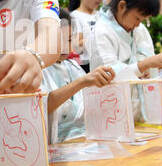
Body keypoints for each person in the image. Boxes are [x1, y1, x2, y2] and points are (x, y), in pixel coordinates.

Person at [89, 0, 162, 121]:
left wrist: (154, 65)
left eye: (142, 20)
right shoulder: (101, 31)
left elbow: (148, 62)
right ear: (122, 6)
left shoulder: (140, 29)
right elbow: (107, 74)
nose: (138, 24)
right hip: (111, 114)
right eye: (137, 18)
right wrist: (146, 64)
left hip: (140, 112)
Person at [41, 9, 115, 144]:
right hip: (53, 145)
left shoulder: (73, 67)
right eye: (58, 40)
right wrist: (83, 82)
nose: (65, 47)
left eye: (69, 40)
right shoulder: (37, 70)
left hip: (82, 140)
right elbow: (42, 106)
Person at [68, 0, 106, 73]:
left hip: (104, 63)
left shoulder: (101, 15)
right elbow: (76, 46)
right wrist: (98, 36)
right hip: (85, 67)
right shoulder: (74, 16)